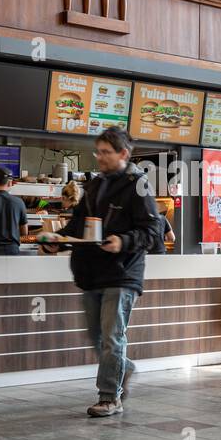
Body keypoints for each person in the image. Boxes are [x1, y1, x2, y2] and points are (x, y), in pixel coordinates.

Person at [47, 127, 161, 417]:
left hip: (123, 274)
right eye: (97, 152)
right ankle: (124, 368)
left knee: (112, 337)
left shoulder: (140, 186)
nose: (99, 157)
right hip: (92, 273)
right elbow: (77, 227)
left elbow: (151, 231)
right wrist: (58, 242)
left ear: (124, 153)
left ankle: (109, 397)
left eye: (105, 152)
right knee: (96, 337)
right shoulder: (95, 186)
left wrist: (123, 241)